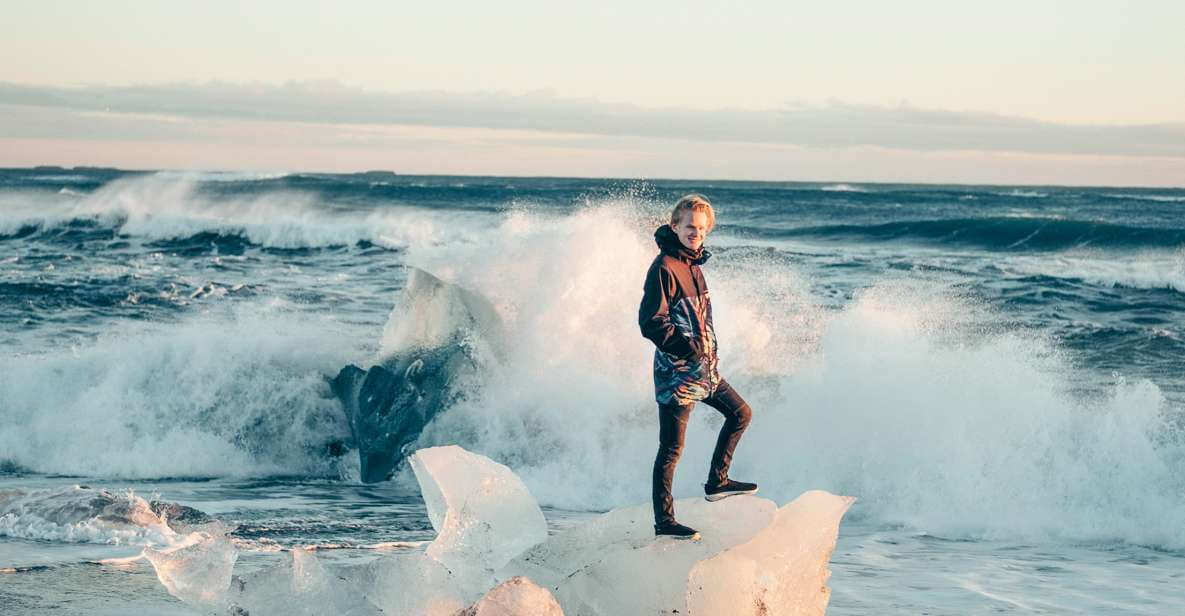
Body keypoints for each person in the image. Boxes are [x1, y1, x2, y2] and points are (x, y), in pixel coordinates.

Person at [639, 194, 757, 541]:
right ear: (675, 225)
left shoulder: (693, 266)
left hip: (704, 371)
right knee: (672, 449)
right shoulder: (664, 267)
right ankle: (665, 522)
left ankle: (717, 482)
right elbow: (650, 321)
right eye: (690, 226)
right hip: (678, 372)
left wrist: (705, 354)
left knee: (741, 414)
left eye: (702, 229)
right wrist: (688, 349)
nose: (696, 234)